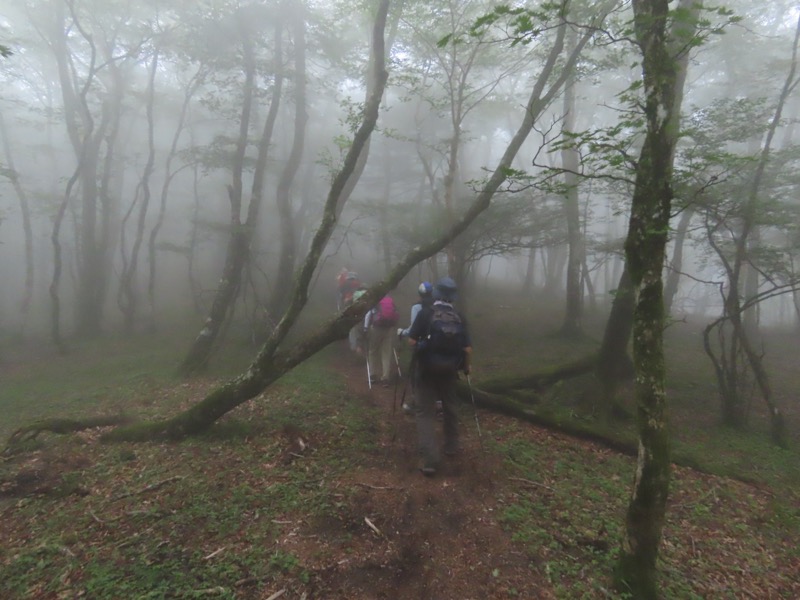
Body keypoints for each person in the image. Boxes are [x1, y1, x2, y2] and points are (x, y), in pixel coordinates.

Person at [407, 277, 472, 476]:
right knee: (450, 407)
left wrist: (420, 346)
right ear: (453, 297)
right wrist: (466, 368)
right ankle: (451, 446)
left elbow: (411, 340)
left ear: (435, 293)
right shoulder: (459, 316)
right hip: (450, 371)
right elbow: (467, 349)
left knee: (425, 413)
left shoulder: (426, 313)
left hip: (426, 370)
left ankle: (430, 460)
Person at [397, 282, 434, 413]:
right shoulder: (437, 306)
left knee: (416, 374)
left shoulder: (417, 307)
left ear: (420, 294)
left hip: (420, 345)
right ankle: (438, 405)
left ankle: (416, 403)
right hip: (436, 345)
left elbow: (413, 329)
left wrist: (402, 332)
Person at [364, 294, 399, 387]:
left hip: (376, 328)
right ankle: (385, 378)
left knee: (372, 351)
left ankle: (372, 375)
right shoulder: (390, 300)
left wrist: (365, 328)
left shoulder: (376, 300)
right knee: (386, 353)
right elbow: (396, 314)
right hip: (388, 329)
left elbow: (368, 314)